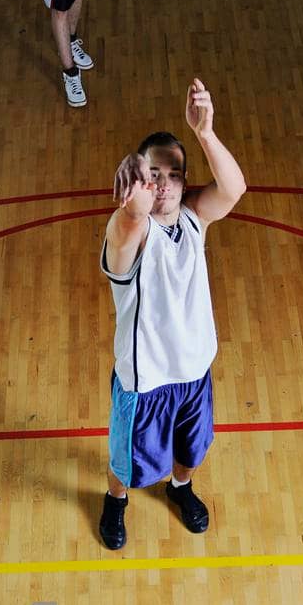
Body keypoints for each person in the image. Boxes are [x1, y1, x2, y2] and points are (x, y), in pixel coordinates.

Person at [98, 79, 246, 551]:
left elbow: (234, 188)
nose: (163, 183)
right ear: (138, 183)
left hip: (194, 372)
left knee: (191, 451)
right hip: (145, 383)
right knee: (125, 464)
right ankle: (115, 499)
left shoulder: (193, 218)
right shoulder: (130, 238)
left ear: (184, 183)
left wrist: (205, 132)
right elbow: (129, 221)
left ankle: (180, 488)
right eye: (152, 174)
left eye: (174, 174)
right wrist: (130, 202)